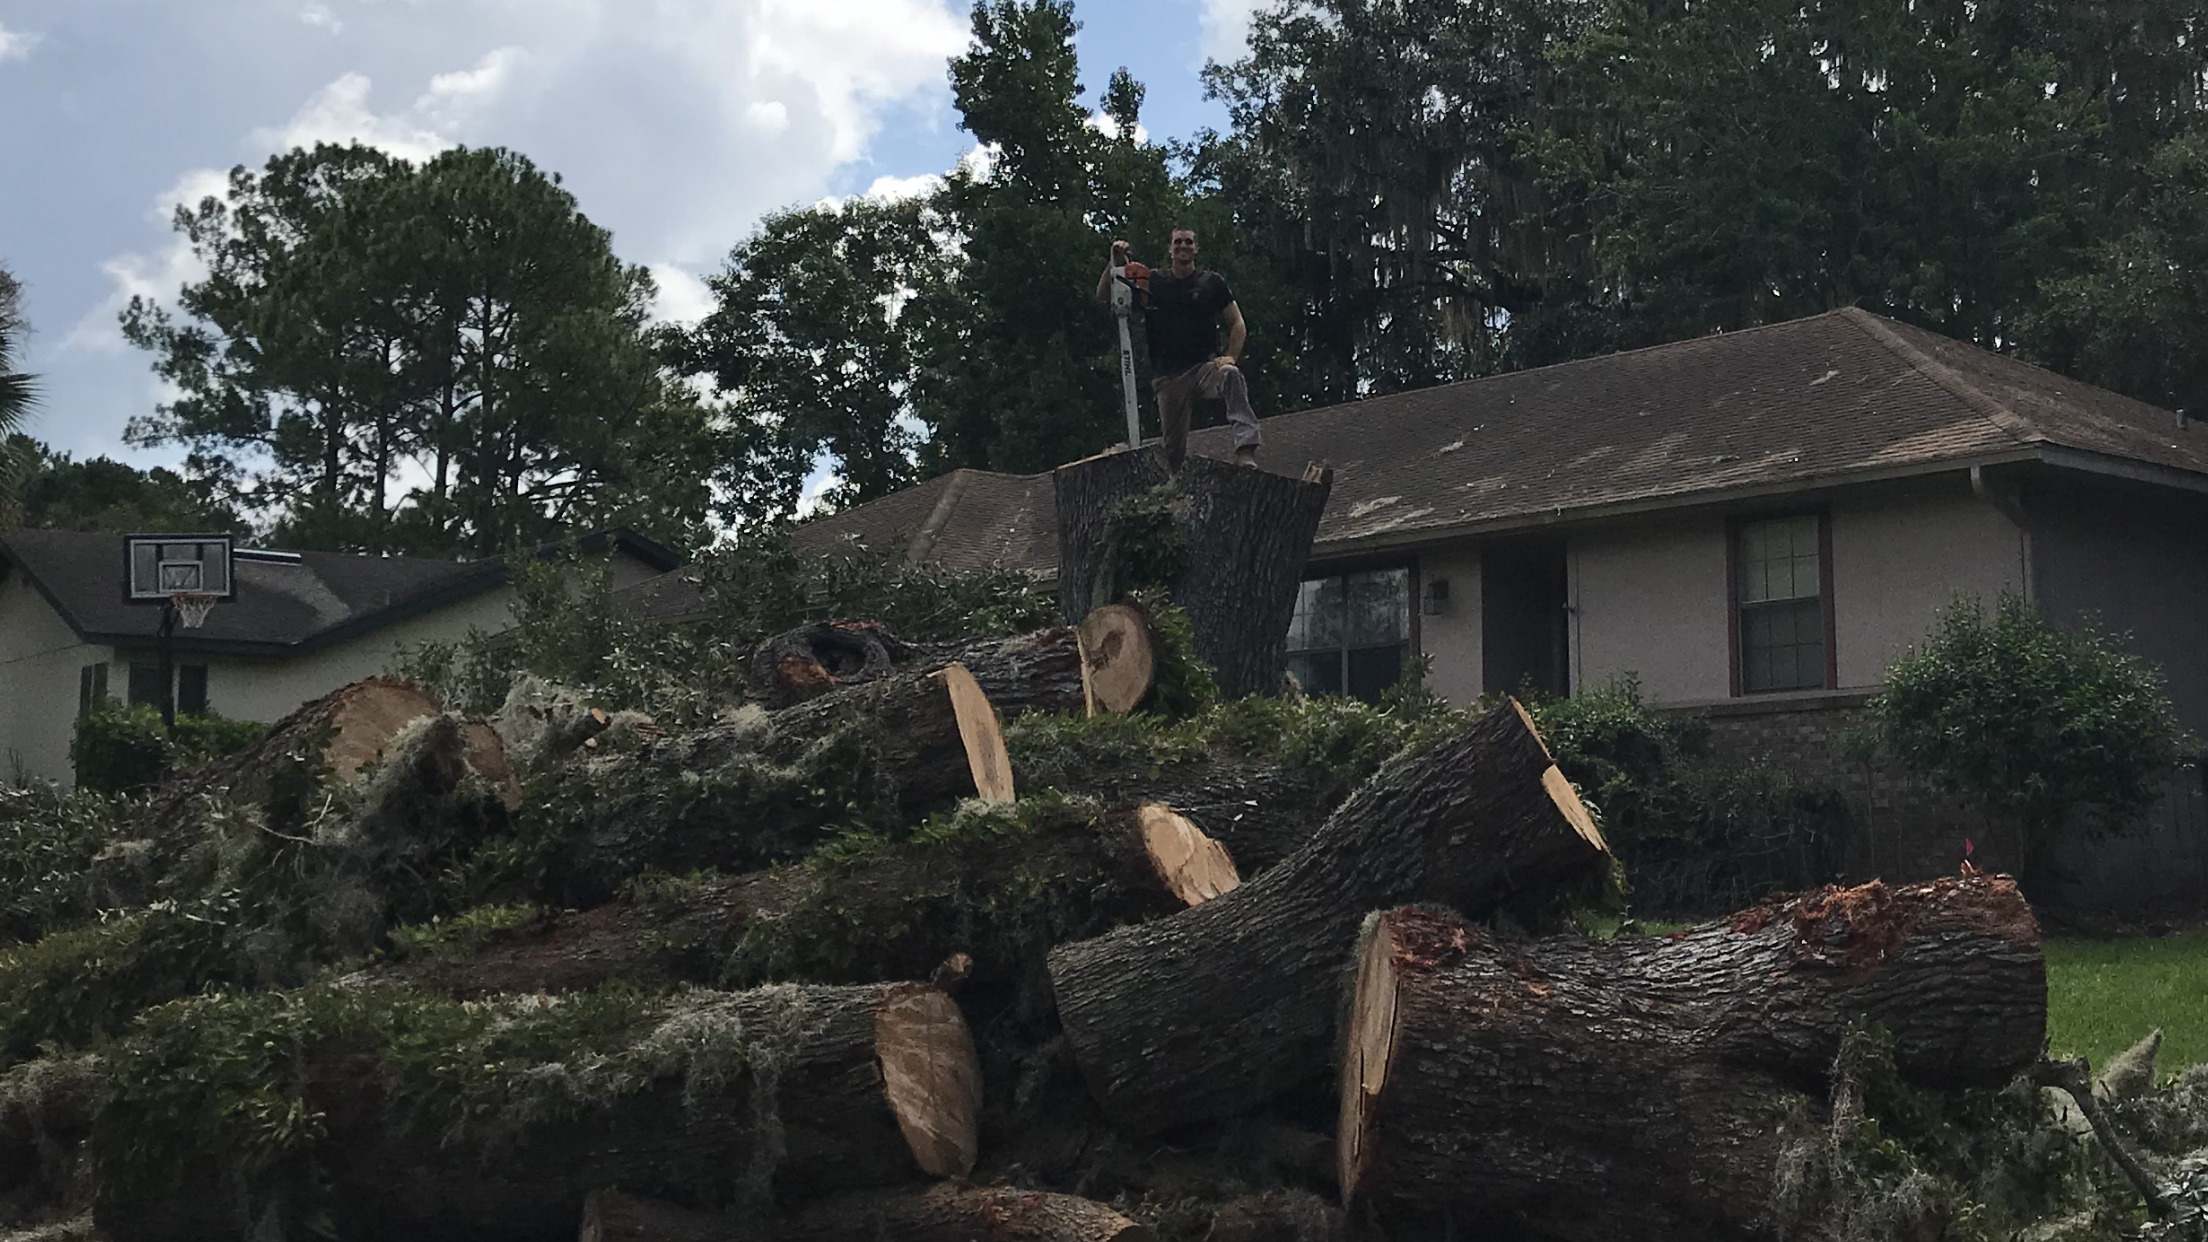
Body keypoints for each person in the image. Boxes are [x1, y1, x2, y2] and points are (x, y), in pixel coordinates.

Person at [1095, 227, 1262, 469]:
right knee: (1172, 454)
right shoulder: (1152, 281)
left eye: (1188, 242)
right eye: (1177, 242)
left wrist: (1230, 356)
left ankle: (1245, 449)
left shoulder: (1211, 283)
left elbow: (1237, 323)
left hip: (1204, 368)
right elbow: (1104, 296)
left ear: (1196, 248)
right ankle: (1172, 490)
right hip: (1169, 376)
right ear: (1170, 249)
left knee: (1231, 375)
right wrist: (1114, 262)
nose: (1183, 246)